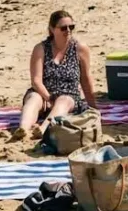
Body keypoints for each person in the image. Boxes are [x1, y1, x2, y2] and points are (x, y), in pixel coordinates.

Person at [15, 10, 99, 140]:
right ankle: (23, 129)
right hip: (44, 92)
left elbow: (86, 79)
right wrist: (48, 98)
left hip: (68, 94)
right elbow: (36, 80)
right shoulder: (41, 48)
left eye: (71, 27)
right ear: (52, 29)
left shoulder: (80, 49)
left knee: (63, 101)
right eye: (63, 28)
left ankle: (43, 129)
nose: (68, 31)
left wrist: (93, 107)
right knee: (33, 98)